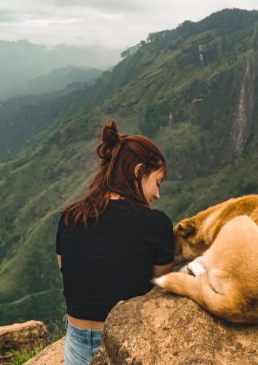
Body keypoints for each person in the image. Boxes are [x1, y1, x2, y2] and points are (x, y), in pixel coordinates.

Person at [56, 120, 174, 364]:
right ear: (138, 171)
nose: (157, 194)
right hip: (121, 342)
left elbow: (67, 269)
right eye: (157, 182)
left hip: (75, 343)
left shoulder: (70, 216)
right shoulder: (157, 224)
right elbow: (157, 286)